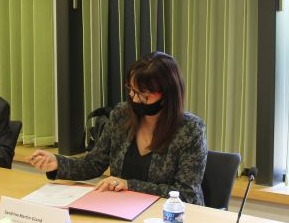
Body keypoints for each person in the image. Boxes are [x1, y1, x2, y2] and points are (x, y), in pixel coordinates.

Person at [28, 52, 208, 204]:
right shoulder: (121, 115)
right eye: (131, 90)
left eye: (144, 95)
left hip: (170, 219)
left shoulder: (190, 129)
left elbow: (186, 194)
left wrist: (129, 185)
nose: (135, 100)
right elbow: (94, 163)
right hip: (121, 209)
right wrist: (57, 163)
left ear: (168, 94)